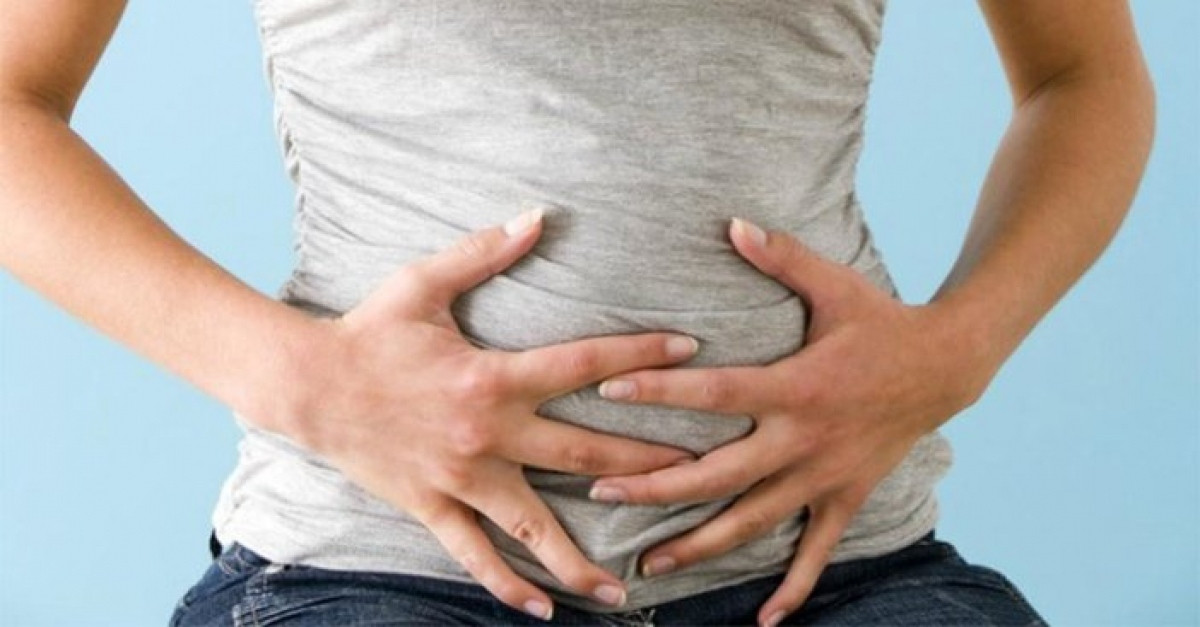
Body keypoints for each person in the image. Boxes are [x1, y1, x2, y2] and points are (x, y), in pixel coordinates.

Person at [0, 0, 1154, 625]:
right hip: (374, 567)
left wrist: (958, 351)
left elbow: (1085, 75)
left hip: (839, 569)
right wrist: (305, 383)